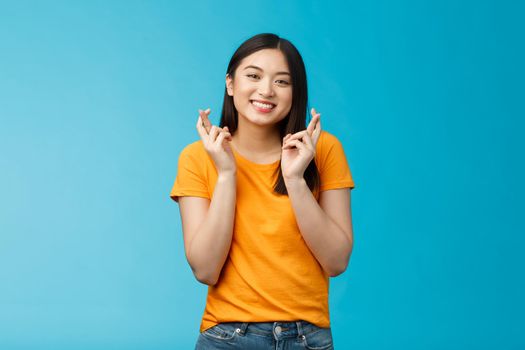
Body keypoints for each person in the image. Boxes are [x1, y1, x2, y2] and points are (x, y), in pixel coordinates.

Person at [169, 33, 355, 350]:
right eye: (253, 76)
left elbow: (336, 262)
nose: (266, 90)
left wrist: (295, 180)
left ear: (296, 93)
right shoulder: (198, 157)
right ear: (230, 84)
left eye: (282, 81)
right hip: (226, 338)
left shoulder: (323, 150)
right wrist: (227, 174)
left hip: (307, 338)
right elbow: (205, 269)